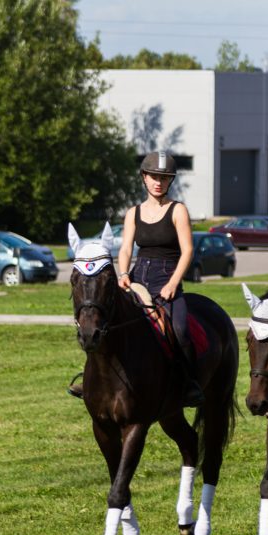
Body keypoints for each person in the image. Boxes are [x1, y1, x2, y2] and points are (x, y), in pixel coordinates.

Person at [69, 150, 204, 406]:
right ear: (144, 177)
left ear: (170, 181)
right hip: (137, 277)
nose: (158, 182)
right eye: (154, 176)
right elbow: (126, 250)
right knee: (102, 321)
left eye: (164, 178)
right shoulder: (133, 213)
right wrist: (122, 274)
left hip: (167, 279)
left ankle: (189, 384)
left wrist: (174, 283)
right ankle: (91, 381)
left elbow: (187, 251)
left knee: (180, 330)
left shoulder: (178, 211)